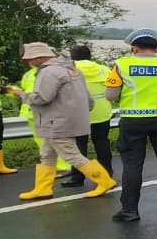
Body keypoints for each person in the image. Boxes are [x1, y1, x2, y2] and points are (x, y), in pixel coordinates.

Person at [10, 43, 116, 200]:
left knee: (71, 154)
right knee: (47, 154)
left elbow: (42, 97)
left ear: (39, 58)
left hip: (56, 121)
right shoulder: (72, 69)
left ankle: (104, 180)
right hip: (65, 119)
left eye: (30, 59)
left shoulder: (48, 72)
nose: (29, 63)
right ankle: (43, 188)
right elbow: (88, 100)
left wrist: (21, 95)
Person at [104, 29, 157, 221]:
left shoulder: (122, 65)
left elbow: (110, 95)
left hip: (133, 121)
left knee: (132, 165)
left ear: (134, 48)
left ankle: (130, 210)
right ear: (156, 48)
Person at [59, 46, 115, 188]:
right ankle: (107, 175)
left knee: (78, 147)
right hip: (102, 113)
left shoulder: (67, 71)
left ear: (72, 57)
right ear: (89, 56)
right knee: (102, 144)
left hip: (77, 114)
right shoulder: (104, 69)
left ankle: (77, 178)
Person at [18, 61, 73, 179]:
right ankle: (55, 168)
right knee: (45, 142)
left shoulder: (43, 73)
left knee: (51, 141)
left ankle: (63, 167)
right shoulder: (33, 74)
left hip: (40, 111)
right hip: (35, 111)